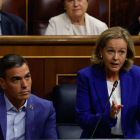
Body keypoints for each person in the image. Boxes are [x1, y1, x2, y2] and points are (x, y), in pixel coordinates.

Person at [76, 26, 140, 138]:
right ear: (101, 51)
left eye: (121, 52)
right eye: (110, 51)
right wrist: (109, 116)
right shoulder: (86, 76)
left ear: (127, 54)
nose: (116, 57)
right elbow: (83, 119)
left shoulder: (137, 75)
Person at [0, 54, 57, 140]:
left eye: (27, 77)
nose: (25, 85)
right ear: (2, 83)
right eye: (16, 79)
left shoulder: (45, 109)